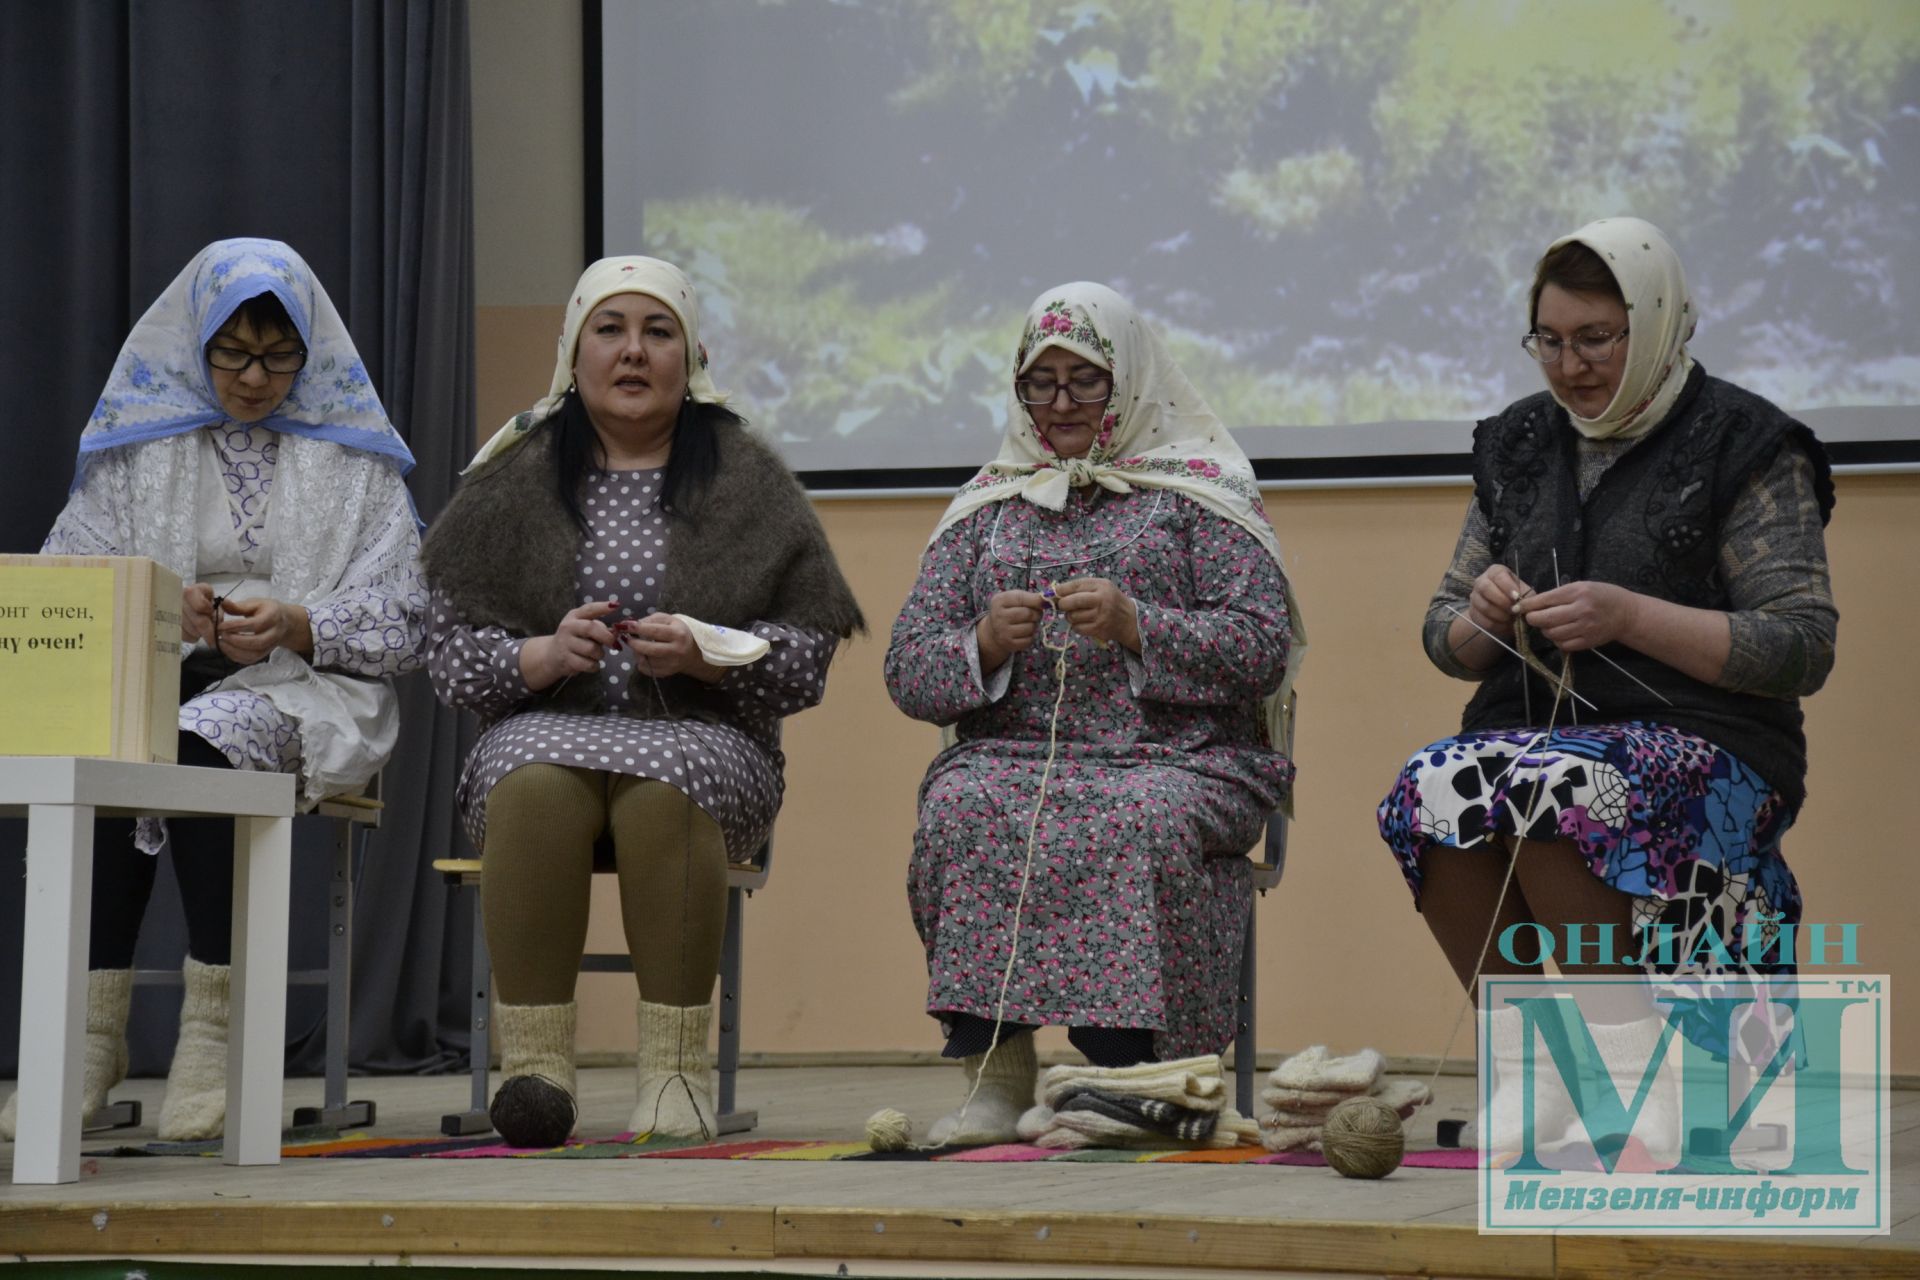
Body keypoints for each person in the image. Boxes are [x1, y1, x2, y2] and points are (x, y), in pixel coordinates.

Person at [1376, 217, 1837, 1154]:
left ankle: (1637, 1080)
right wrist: (1486, 614)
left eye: (1596, 339)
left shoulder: (1745, 443)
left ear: (1659, 325)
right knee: (1428, 788)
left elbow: (1800, 646)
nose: (1570, 365)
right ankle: (1542, 1067)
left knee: (1558, 788)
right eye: (1550, 340)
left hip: (1714, 744)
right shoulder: (1515, 443)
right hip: (1535, 733)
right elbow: (1443, 636)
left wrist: (1631, 617)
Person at [421, 256, 863, 1148]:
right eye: (609, 330)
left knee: (666, 787)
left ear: (690, 356)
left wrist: (711, 659)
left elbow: (808, 652)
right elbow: (448, 655)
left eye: (656, 333)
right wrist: (539, 655)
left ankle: (674, 1074)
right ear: (572, 354)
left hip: (705, 738)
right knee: (535, 783)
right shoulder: (510, 480)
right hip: (542, 734)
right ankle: (537, 1074)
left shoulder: (747, 477)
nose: (632, 353)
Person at [0, 238, 425, 1142]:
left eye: (279, 356)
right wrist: (165, 606)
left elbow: (408, 620)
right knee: (109, 747)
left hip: (308, 689)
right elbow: (67, 578)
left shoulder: (358, 464)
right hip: (157, 681)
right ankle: (89, 1035)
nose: (255, 378)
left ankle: (213, 1027)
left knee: (204, 735)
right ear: (196, 347)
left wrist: (301, 622)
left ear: (310, 353)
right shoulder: (139, 449)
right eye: (233, 354)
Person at [885, 282, 1303, 1145]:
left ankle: (1134, 1085)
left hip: (1182, 759)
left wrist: (1138, 625)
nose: (1062, 404)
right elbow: (907, 670)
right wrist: (983, 646)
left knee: (1134, 817)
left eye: (1086, 382)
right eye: (1042, 383)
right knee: (962, 805)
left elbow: (1262, 645)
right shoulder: (989, 505)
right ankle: (995, 1082)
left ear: (1132, 383)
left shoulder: (1201, 492)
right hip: (1014, 759)